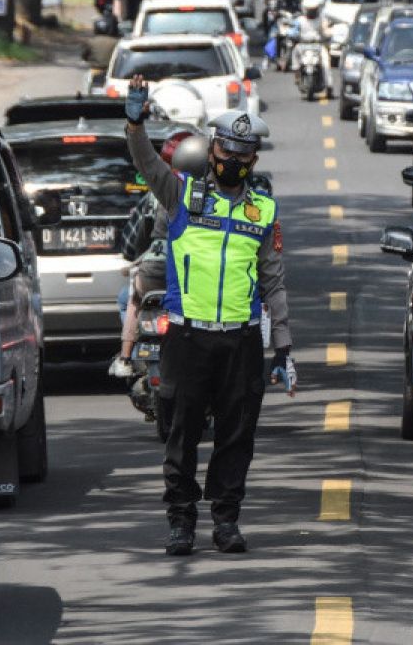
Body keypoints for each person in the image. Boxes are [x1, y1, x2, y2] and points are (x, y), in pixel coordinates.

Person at [124, 75, 294, 556]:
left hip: (240, 341)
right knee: (182, 434)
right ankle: (181, 522)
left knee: (236, 438)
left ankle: (225, 521)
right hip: (187, 338)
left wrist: (282, 346)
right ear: (212, 152)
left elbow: (273, 282)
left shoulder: (262, 211)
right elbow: (145, 162)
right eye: (226, 154)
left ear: (252, 161)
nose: (232, 163)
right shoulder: (181, 195)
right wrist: (135, 123)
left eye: (243, 157)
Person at [111, 131, 206, 380]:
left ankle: (125, 357)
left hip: (152, 273)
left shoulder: (156, 197)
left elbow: (130, 244)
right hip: (191, 278)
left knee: (130, 299)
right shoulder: (211, 197)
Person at [289, 0, 333, 97]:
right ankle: (297, 76)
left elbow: (326, 32)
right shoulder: (300, 20)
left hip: (318, 45)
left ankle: (329, 85)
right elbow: (293, 31)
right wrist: (291, 35)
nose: (311, 12)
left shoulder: (321, 20)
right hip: (302, 45)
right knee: (294, 55)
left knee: (326, 63)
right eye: (309, 10)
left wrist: (329, 34)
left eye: (313, 9)